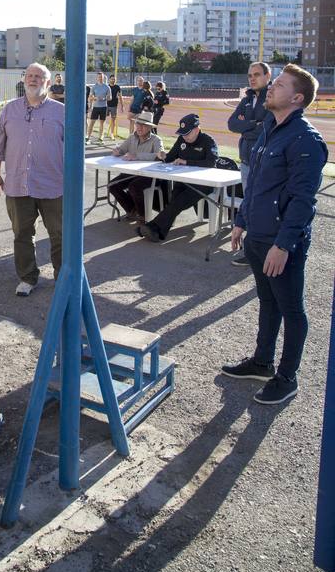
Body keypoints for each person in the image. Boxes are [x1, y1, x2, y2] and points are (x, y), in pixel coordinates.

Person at [222, 64, 327, 405]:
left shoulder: (306, 140)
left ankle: (287, 378)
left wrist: (284, 244)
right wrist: (241, 220)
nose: (271, 88)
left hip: (282, 243)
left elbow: (302, 201)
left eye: (279, 85)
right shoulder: (270, 128)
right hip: (257, 236)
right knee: (268, 303)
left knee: (291, 309)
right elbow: (255, 186)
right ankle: (262, 362)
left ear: (297, 98)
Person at [0, 63, 64, 296]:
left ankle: (63, 278)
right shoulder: (9, 110)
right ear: (24, 80)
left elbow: (74, 150)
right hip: (16, 183)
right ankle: (27, 278)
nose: (33, 79)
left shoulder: (61, 112)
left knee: (60, 235)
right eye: (30, 76)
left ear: (48, 82)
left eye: (39, 76)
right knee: (22, 234)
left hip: (53, 185)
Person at [138, 113, 218, 242]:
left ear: (197, 129)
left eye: (187, 133)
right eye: (182, 133)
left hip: (203, 183)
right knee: (174, 201)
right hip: (183, 180)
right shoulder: (182, 139)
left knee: (178, 202)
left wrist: (186, 162)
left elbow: (211, 162)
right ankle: (158, 232)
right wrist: (163, 156)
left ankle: (152, 227)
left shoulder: (208, 141)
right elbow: (170, 157)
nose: (184, 136)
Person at [227, 61, 272, 266]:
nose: (252, 78)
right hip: (246, 162)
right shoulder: (246, 99)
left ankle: (262, 251)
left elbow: (268, 128)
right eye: (249, 75)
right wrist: (254, 124)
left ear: (267, 76)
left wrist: (246, 126)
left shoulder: (272, 98)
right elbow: (232, 123)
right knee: (250, 206)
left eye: (256, 74)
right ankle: (250, 251)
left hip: (264, 163)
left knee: (262, 207)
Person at [108, 111, 164, 223]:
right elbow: (122, 150)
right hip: (131, 173)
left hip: (150, 176)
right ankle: (132, 210)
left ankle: (143, 216)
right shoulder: (131, 138)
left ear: (149, 127)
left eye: (143, 125)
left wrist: (136, 156)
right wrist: (117, 151)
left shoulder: (156, 140)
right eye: (137, 124)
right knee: (112, 185)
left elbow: (160, 156)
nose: (139, 127)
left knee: (134, 186)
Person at [86, 72, 112, 144]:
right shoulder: (94, 87)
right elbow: (90, 97)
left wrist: (103, 98)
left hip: (103, 107)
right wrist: (94, 98)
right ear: (97, 78)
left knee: (102, 123)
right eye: (99, 77)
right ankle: (88, 137)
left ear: (103, 78)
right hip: (96, 107)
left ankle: (101, 138)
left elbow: (110, 98)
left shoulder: (107, 87)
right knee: (92, 123)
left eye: (101, 77)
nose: (100, 78)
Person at [105, 74, 124, 140]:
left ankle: (112, 134)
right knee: (102, 119)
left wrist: (122, 106)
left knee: (113, 120)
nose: (113, 80)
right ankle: (102, 133)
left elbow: (120, 96)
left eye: (114, 79)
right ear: (109, 79)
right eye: (112, 79)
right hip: (106, 105)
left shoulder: (117, 87)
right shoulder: (106, 86)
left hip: (114, 106)